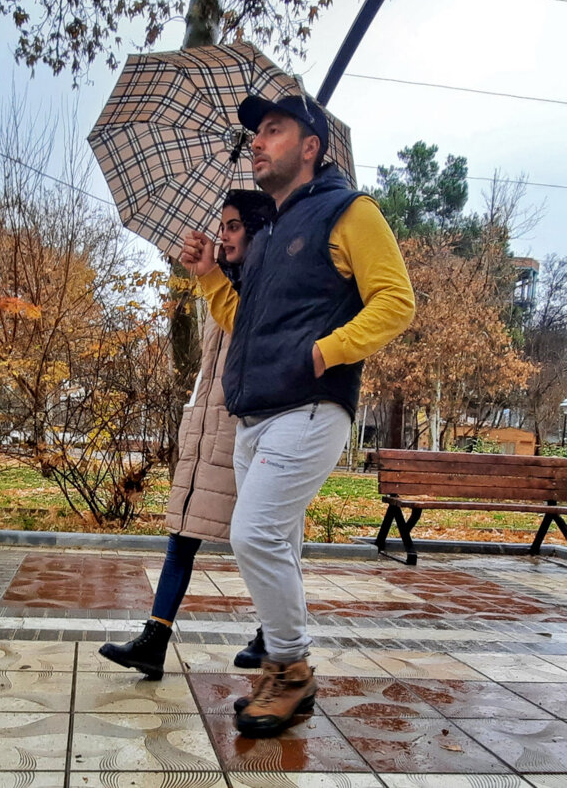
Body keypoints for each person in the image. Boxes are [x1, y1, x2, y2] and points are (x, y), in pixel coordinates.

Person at [179, 94, 415, 737]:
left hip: (311, 407)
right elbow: (245, 324)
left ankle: (290, 667)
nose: (257, 141)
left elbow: (396, 302)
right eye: (255, 134)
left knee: (252, 535)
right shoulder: (272, 229)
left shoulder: (349, 212)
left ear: (311, 146)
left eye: (274, 130)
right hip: (257, 413)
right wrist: (209, 276)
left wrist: (324, 352)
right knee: (273, 541)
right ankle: (286, 676)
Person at [99, 189, 276, 679]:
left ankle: (272, 634)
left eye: (234, 225)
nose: (224, 234)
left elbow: (253, 335)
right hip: (206, 431)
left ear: (259, 230)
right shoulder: (226, 284)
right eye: (222, 225)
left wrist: (211, 277)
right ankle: (154, 641)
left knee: (262, 539)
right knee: (182, 537)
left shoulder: (266, 284)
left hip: (247, 434)